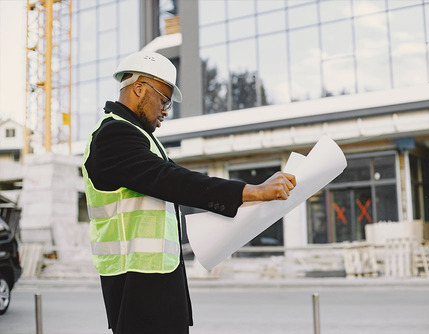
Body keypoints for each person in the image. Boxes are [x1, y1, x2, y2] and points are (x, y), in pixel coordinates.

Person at [82, 50, 296, 334]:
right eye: (164, 98)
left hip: (152, 280)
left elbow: (175, 186)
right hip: (138, 285)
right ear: (138, 88)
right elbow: (173, 181)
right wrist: (252, 191)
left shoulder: (138, 137)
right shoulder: (114, 135)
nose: (166, 110)